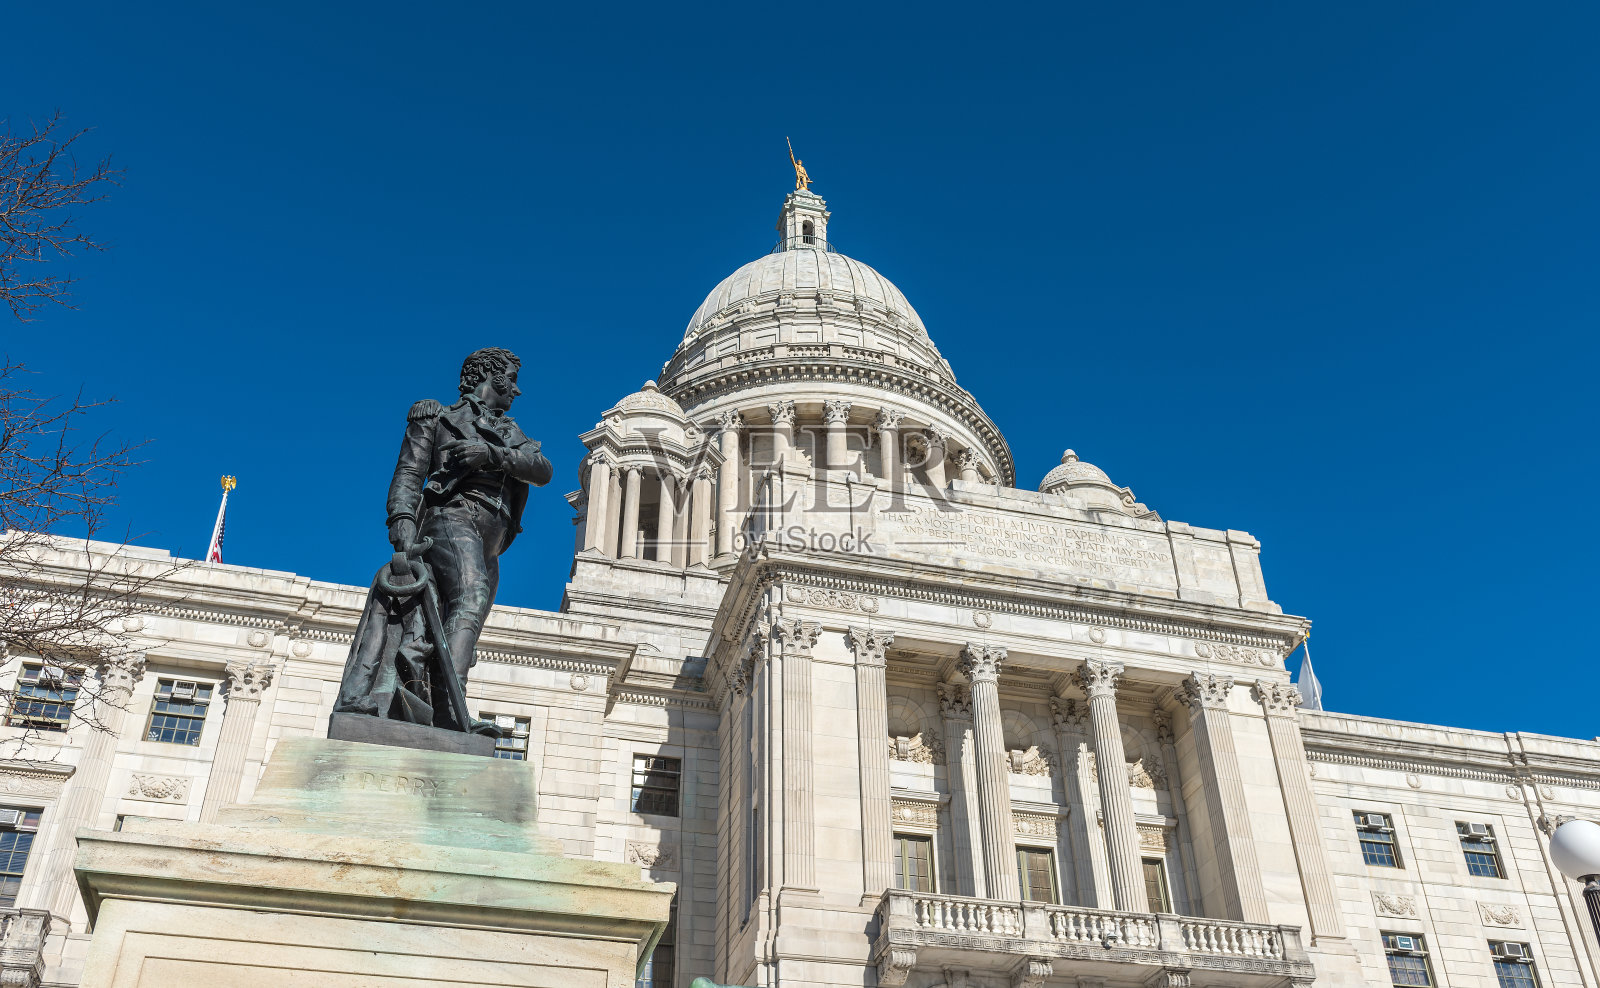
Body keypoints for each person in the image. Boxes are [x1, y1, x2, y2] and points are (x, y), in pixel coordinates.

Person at [335, 347, 553, 730]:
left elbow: (542, 470)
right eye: (512, 379)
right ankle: (453, 711)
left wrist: (488, 453)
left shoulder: (510, 433)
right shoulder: (436, 417)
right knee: (471, 598)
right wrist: (401, 519)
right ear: (492, 376)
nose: (517, 391)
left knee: (465, 617)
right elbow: (408, 472)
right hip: (451, 515)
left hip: (493, 536)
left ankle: (439, 703)